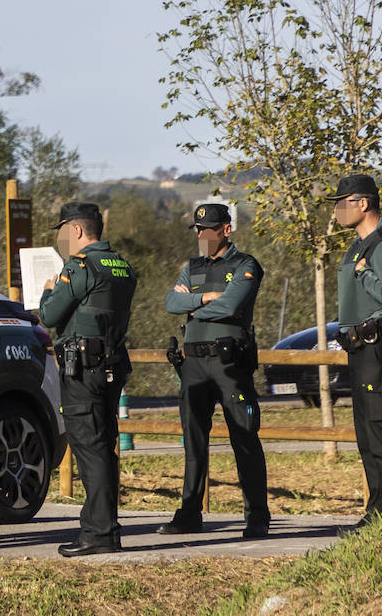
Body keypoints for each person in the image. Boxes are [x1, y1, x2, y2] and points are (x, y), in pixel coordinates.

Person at [158, 203, 270, 539]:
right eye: (198, 230)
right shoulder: (192, 267)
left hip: (228, 364)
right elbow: (169, 303)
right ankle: (189, 514)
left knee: (244, 437)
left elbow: (232, 304)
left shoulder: (245, 264)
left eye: (209, 229)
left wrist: (193, 302)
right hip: (193, 363)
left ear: (226, 229)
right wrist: (205, 297)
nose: (202, 236)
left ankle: (257, 517)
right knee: (193, 443)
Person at [38, 202, 137, 556]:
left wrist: (48, 289)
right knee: (104, 445)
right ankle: (107, 526)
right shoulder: (121, 266)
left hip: (82, 368)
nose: (62, 238)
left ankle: (98, 532)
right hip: (111, 365)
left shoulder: (78, 267)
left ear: (77, 231)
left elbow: (50, 314)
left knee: (88, 447)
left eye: (63, 230)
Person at [326, 174, 382, 529]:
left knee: (381, 430)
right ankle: (376, 511)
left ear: (363, 204)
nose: (336, 210)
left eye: (342, 202)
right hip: (359, 351)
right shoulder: (357, 247)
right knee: (365, 434)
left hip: (379, 349)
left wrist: (363, 275)